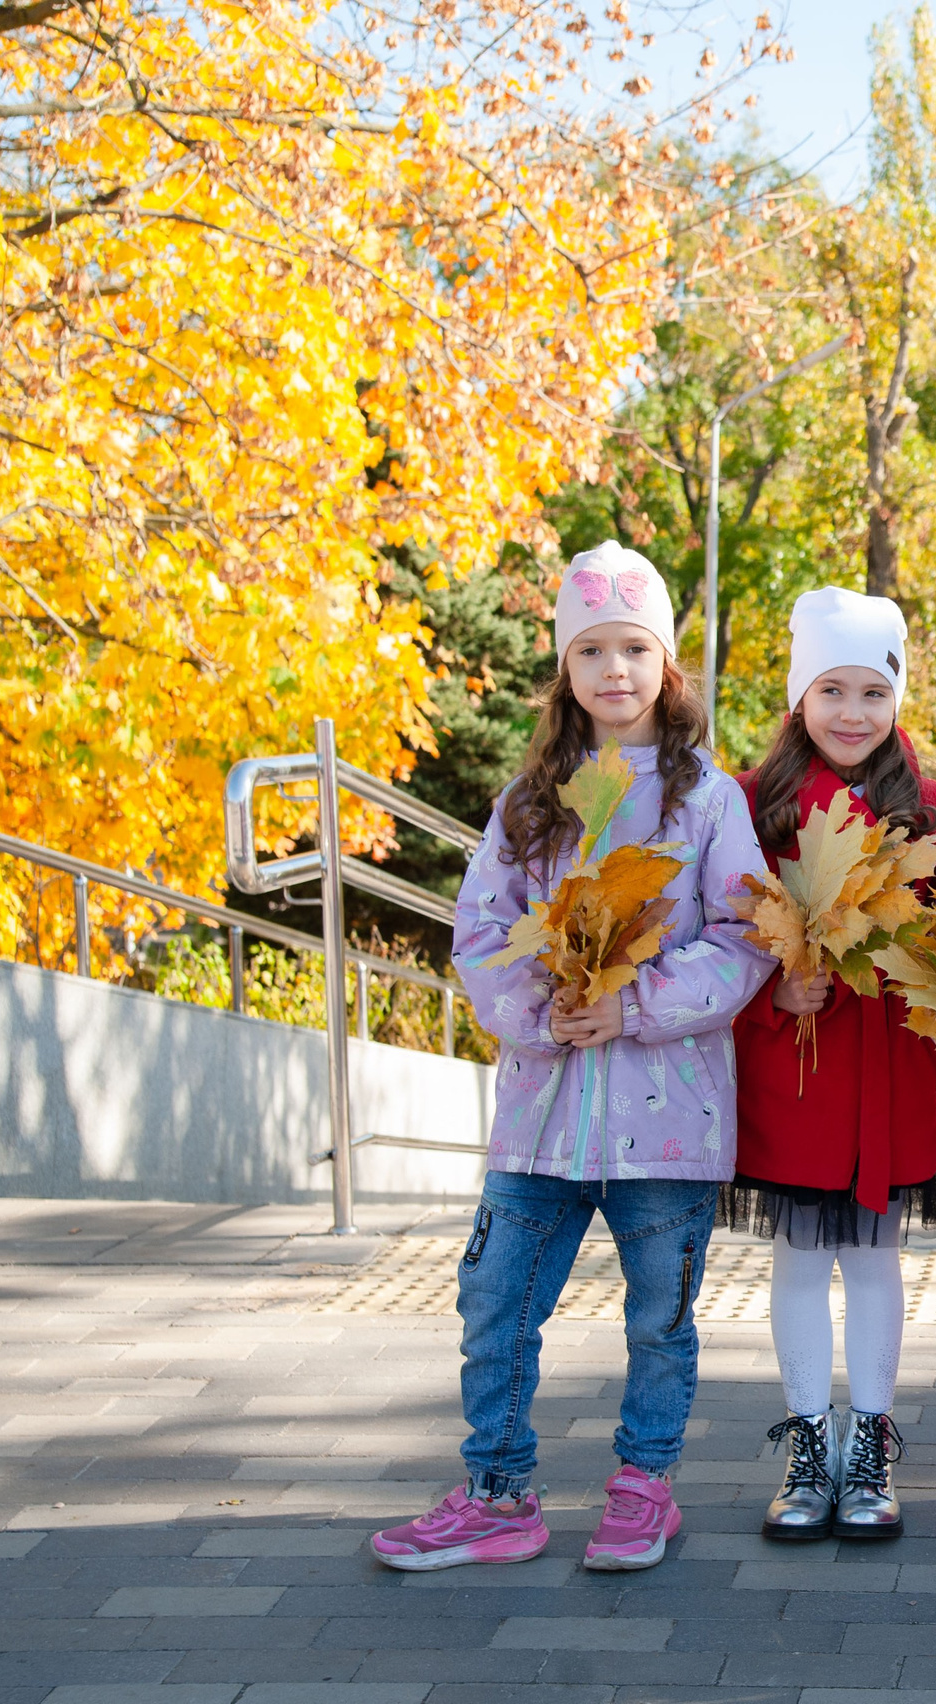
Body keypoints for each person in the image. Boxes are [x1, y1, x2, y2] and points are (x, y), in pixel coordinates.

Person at [371, 541, 774, 1573]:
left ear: (666, 665)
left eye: (634, 648)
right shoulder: (527, 806)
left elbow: (742, 940)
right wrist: (545, 1015)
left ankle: (645, 1489)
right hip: (540, 1118)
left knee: (660, 1320)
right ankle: (498, 1491)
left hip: (668, 1120)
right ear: (564, 669)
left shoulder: (709, 801)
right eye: (590, 650)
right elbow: (480, 932)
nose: (614, 671)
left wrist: (634, 1002)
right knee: (496, 1301)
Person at [729, 586, 936, 1543]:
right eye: (832, 689)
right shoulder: (754, 801)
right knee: (797, 1261)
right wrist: (772, 997)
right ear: (800, 695)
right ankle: (809, 1445)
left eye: (874, 691)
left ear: (898, 697)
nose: (853, 712)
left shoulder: (932, 804)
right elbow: (722, 926)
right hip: (800, 1068)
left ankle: (869, 1440)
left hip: (890, 1067)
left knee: (874, 1260)